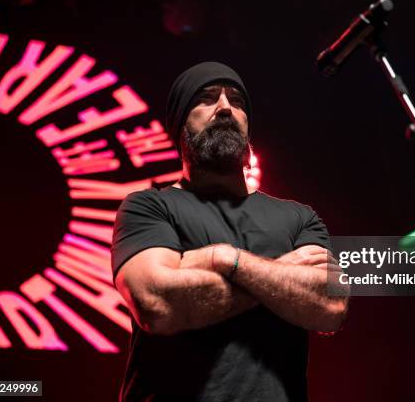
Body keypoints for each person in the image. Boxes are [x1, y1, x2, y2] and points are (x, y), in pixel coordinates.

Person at [111, 61, 349, 402]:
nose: (225, 107)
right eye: (207, 98)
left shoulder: (298, 216)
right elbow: (156, 303)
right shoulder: (147, 207)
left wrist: (226, 260)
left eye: (237, 101)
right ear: (179, 124)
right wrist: (282, 278)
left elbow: (331, 305)